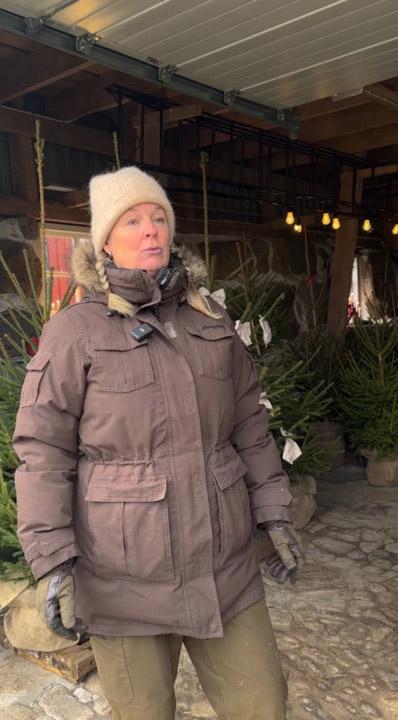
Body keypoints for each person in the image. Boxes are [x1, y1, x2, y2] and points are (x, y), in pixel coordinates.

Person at [13, 166, 304, 720]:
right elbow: (41, 449)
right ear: (105, 242)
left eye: (158, 218)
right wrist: (52, 559)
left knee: (263, 705)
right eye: (132, 220)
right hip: (123, 579)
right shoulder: (76, 332)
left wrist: (275, 513)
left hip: (226, 569)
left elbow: (249, 423)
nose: (150, 230)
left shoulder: (210, 319)